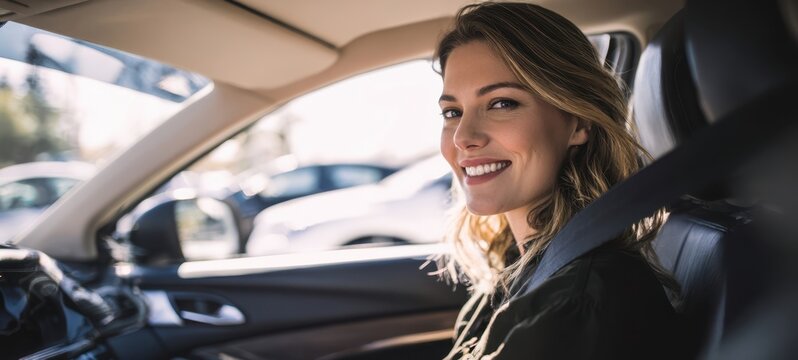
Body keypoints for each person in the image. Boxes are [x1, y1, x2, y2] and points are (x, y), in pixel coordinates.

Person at [435, 2, 681, 359]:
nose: (462, 137)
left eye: (502, 103)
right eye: (452, 112)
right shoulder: (515, 271)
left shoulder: (578, 304)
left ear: (578, 123)